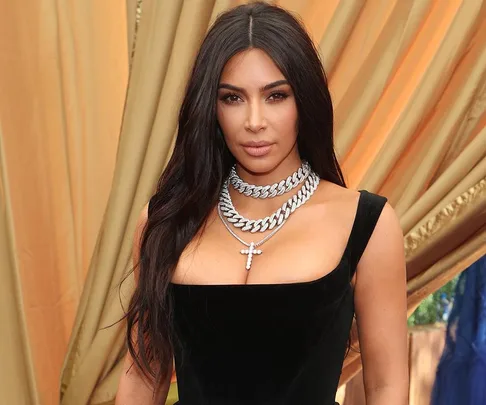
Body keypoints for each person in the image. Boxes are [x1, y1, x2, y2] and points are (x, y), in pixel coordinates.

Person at [115, 2, 409, 404]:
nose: (254, 120)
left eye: (276, 95)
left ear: (304, 99)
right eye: (233, 98)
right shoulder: (166, 220)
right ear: (211, 108)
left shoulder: (368, 224)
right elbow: (141, 380)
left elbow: (386, 387)